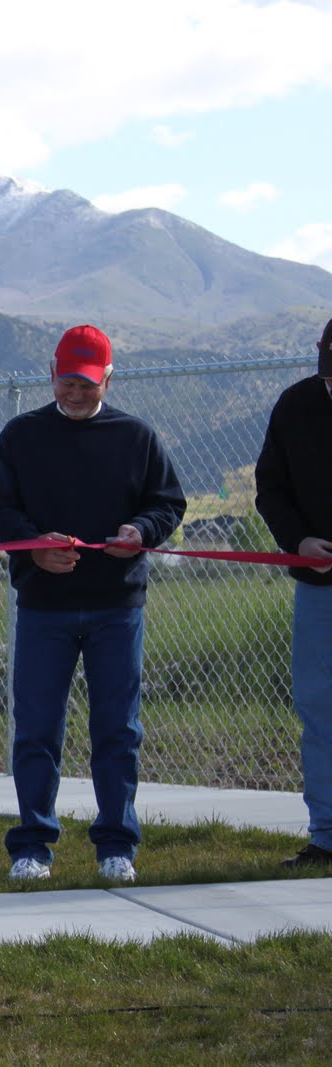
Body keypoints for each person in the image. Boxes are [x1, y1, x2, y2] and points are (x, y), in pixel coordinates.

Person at [0, 324, 186, 884]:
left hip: (116, 607)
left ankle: (116, 845)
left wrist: (140, 528)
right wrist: (36, 548)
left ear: (108, 379)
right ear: (51, 374)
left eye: (88, 384)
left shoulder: (136, 437)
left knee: (117, 730)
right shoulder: (21, 435)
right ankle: (33, 844)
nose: (75, 393)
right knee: (37, 730)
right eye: (67, 381)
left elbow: (168, 502)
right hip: (44, 608)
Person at [255, 316, 332, 869]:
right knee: (319, 709)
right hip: (318, 586)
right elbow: (270, 487)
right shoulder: (296, 404)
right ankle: (326, 834)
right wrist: (299, 539)